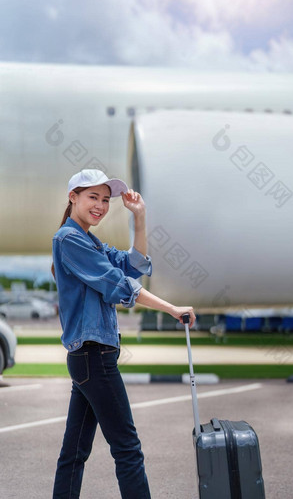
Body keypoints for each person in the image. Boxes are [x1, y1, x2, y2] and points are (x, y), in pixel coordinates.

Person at [51, 169, 196, 499]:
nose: (100, 205)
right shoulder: (69, 239)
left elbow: (133, 265)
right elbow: (118, 284)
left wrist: (140, 218)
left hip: (88, 359)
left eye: (105, 200)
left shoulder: (91, 241)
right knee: (128, 449)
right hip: (94, 357)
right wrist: (173, 308)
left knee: (74, 454)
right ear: (73, 197)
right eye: (93, 197)